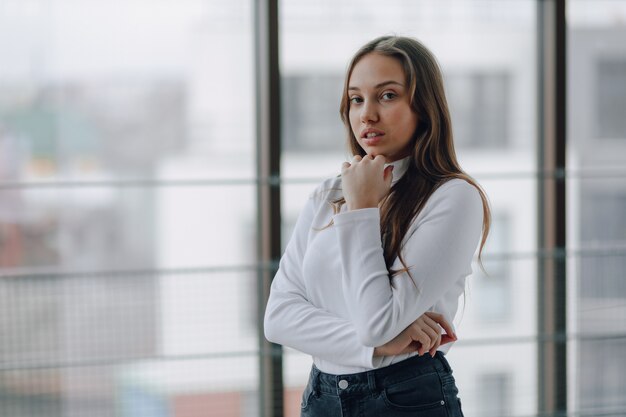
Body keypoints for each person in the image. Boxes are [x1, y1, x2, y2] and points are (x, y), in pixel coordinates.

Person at [264, 35, 491, 417]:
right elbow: (278, 317)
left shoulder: (453, 197)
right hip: (322, 396)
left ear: (424, 107)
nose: (366, 114)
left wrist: (361, 209)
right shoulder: (327, 194)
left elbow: (377, 322)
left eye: (387, 95)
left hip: (406, 397)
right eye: (356, 99)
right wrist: (380, 344)